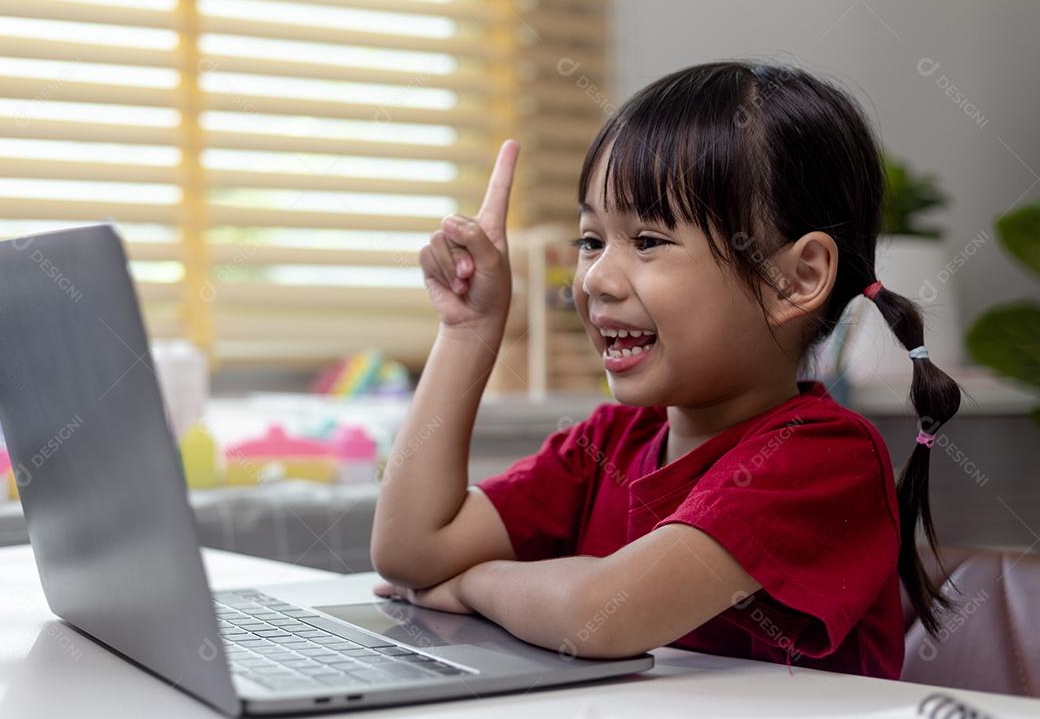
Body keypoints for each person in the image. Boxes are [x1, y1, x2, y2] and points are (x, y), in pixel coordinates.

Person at [370, 61, 962, 679]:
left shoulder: (825, 457)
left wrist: (471, 585)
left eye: (648, 241)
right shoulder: (605, 446)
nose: (596, 279)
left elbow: (597, 615)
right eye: (591, 241)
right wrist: (467, 331)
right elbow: (411, 552)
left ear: (796, 279)